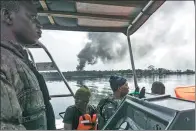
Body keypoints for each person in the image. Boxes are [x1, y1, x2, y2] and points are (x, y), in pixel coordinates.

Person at [0, 1, 55, 130]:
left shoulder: (19, 59)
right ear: (7, 16)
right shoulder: (4, 61)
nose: (40, 25)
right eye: (32, 17)